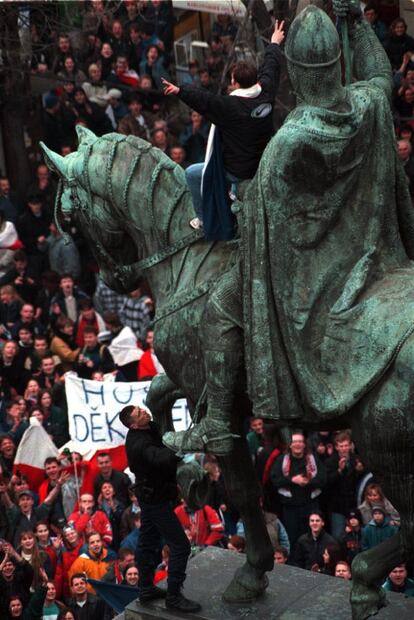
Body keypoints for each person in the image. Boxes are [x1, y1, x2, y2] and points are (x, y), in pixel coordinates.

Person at [162, 21, 284, 236]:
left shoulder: (230, 106)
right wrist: (274, 43)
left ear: (235, 83)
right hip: (261, 164)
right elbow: (271, 66)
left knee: (191, 173)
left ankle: (203, 219)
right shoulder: (266, 92)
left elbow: (204, 101)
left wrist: (180, 91)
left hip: (237, 172)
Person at [119, 404, 200, 613]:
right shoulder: (138, 444)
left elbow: (164, 436)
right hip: (154, 500)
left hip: (155, 495)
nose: (144, 411)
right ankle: (174, 596)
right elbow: (160, 458)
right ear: (134, 425)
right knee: (180, 545)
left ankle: (145, 588)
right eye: (139, 414)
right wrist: (182, 448)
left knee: (147, 542)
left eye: (141, 408)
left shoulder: (149, 428)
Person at [270, 432, 326, 549]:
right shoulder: (282, 460)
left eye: (300, 441)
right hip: (290, 509)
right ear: (290, 445)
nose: (297, 444)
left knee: (311, 539)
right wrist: (292, 480)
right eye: (294, 442)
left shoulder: (313, 459)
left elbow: (323, 479)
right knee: (292, 539)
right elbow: (274, 481)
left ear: (304, 444)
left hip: (310, 507)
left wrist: (308, 482)